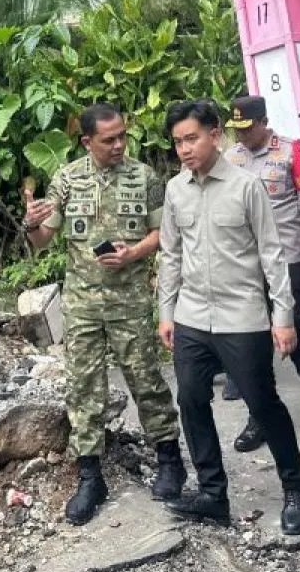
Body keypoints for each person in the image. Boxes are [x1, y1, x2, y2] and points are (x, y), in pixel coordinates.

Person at [21, 103, 185, 525]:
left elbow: (162, 234)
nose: (118, 145)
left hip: (129, 302)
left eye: (122, 136)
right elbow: (43, 240)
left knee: (147, 381)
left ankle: (170, 460)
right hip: (82, 306)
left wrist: (133, 253)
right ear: (86, 142)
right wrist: (31, 223)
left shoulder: (144, 177)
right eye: (108, 139)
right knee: (84, 389)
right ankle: (90, 477)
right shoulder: (66, 179)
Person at [157, 100, 300, 535]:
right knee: (191, 400)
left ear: (215, 135)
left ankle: (295, 488)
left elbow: (272, 254)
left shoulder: (246, 186)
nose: (184, 149)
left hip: (242, 317)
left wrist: (283, 316)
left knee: (262, 403)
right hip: (191, 316)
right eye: (178, 142)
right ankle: (212, 494)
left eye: (191, 138)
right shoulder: (176, 189)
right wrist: (166, 312)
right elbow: (171, 254)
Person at [224, 95, 300, 443]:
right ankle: (260, 416)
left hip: (287, 259)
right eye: (236, 129)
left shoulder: (290, 151)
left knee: (294, 331)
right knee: (251, 341)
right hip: (245, 263)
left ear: (263, 122)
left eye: (246, 128)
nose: (241, 135)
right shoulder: (231, 157)